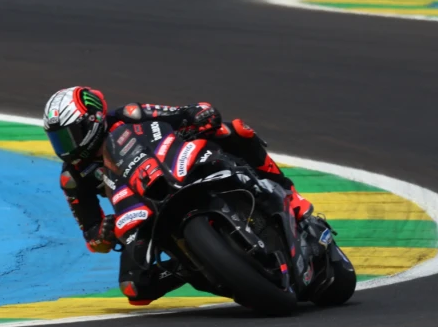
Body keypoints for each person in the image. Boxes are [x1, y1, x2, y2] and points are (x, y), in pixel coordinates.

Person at [43, 86, 316, 306]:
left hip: (176, 167)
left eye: (70, 135)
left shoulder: (131, 114)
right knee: (134, 288)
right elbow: (92, 236)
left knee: (234, 130)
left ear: (92, 120)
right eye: (58, 139)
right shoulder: (73, 178)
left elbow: (182, 113)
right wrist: (103, 233)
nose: (66, 146)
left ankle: (288, 193)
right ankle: (195, 265)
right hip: (139, 208)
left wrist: (198, 115)